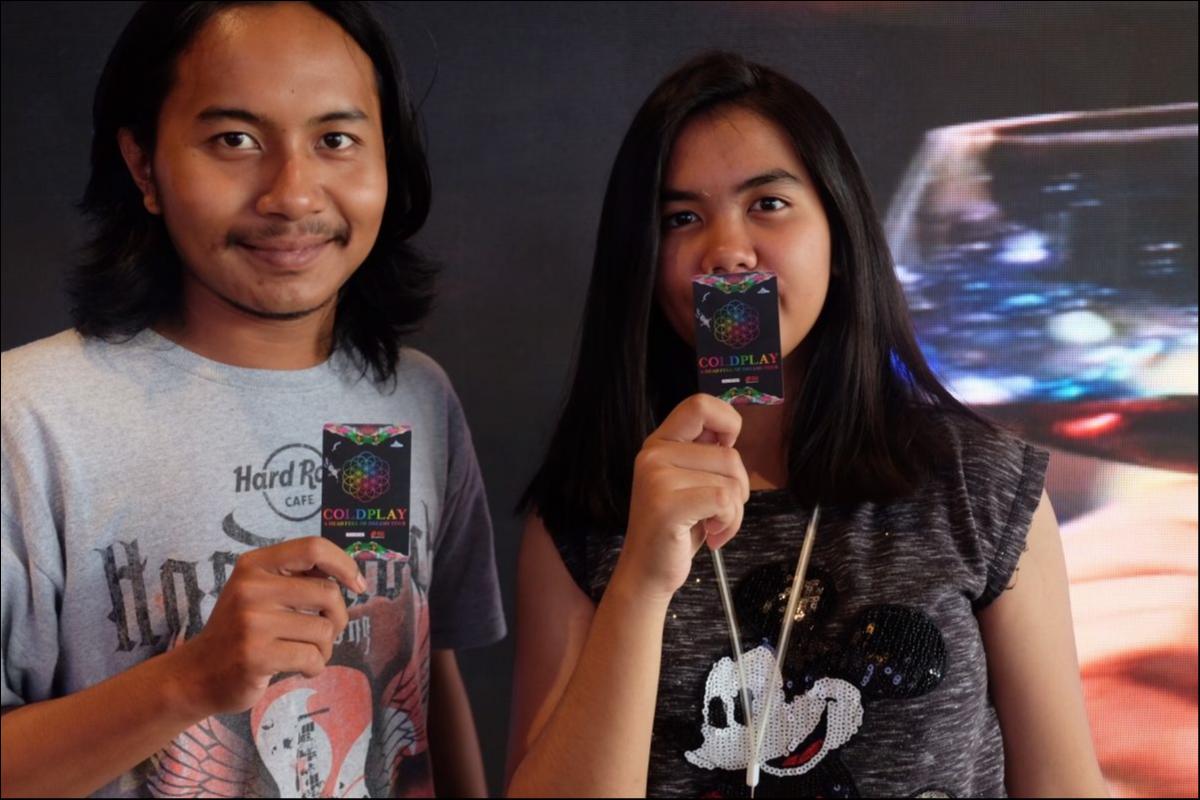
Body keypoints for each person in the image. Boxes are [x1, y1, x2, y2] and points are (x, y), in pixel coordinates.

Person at [506, 52, 1107, 797]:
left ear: (839, 237)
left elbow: (1064, 785)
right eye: (681, 218)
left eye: (768, 204)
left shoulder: (978, 484)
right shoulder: (581, 516)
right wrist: (640, 583)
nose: (728, 251)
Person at [0, 3, 505, 797]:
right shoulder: (30, 416)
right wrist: (189, 681)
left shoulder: (415, 397)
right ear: (144, 167)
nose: (293, 195)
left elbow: (427, 681)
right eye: (234, 140)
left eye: (335, 140)